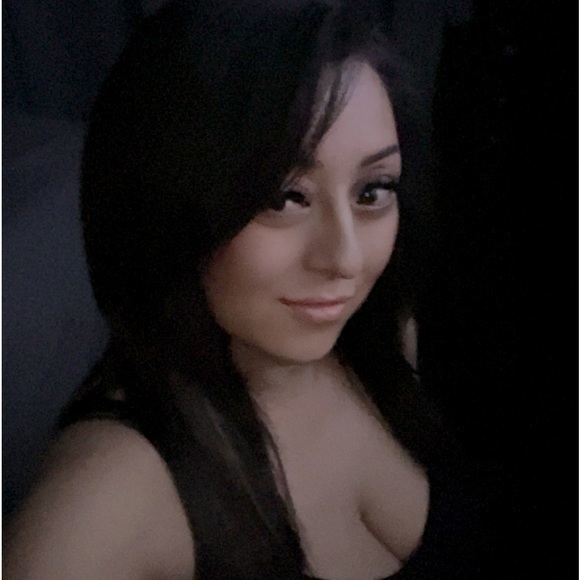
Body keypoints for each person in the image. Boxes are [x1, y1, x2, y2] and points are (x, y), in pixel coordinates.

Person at [3, 1, 487, 578]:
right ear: (166, 206)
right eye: (285, 198)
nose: (346, 259)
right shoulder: (106, 496)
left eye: (372, 191)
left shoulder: (382, 333)